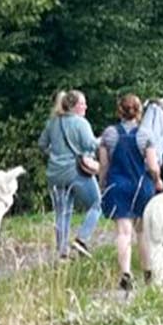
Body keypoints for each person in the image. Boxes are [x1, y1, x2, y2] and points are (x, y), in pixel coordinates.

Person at [97, 94, 154, 292]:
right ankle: (148, 272)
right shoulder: (145, 135)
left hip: (118, 186)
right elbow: (153, 166)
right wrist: (158, 179)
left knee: (123, 232)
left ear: (119, 111)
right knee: (142, 231)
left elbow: (104, 165)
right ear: (139, 111)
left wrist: (103, 184)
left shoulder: (109, 134)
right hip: (141, 186)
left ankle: (126, 275)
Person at [39, 89, 101, 259]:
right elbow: (91, 145)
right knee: (96, 203)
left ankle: (62, 253)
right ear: (73, 106)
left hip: (55, 174)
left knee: (62, 213)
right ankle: (81, 239)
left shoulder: (52, 122)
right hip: (76, 172)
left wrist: (55, 154)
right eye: (82, 103)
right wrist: (104, 139)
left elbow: (42, 144)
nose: (85, 107)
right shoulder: (81, 123)